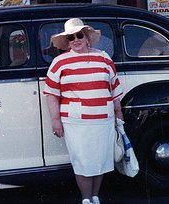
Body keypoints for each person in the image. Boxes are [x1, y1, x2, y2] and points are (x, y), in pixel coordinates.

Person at [43, 18, 124, 204]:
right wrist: (55, 120)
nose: (76, 40)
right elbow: (51, 94)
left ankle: (95, 197)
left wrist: (118, 113)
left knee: (101, 160)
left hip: (104, 119)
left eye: (79, 35)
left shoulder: (104, 57)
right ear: (67, 42)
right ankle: (86, 199)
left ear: (87, 37)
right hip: (76, 122)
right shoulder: (59, 62)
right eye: (71, 38)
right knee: (83, 162)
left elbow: (113, 89)